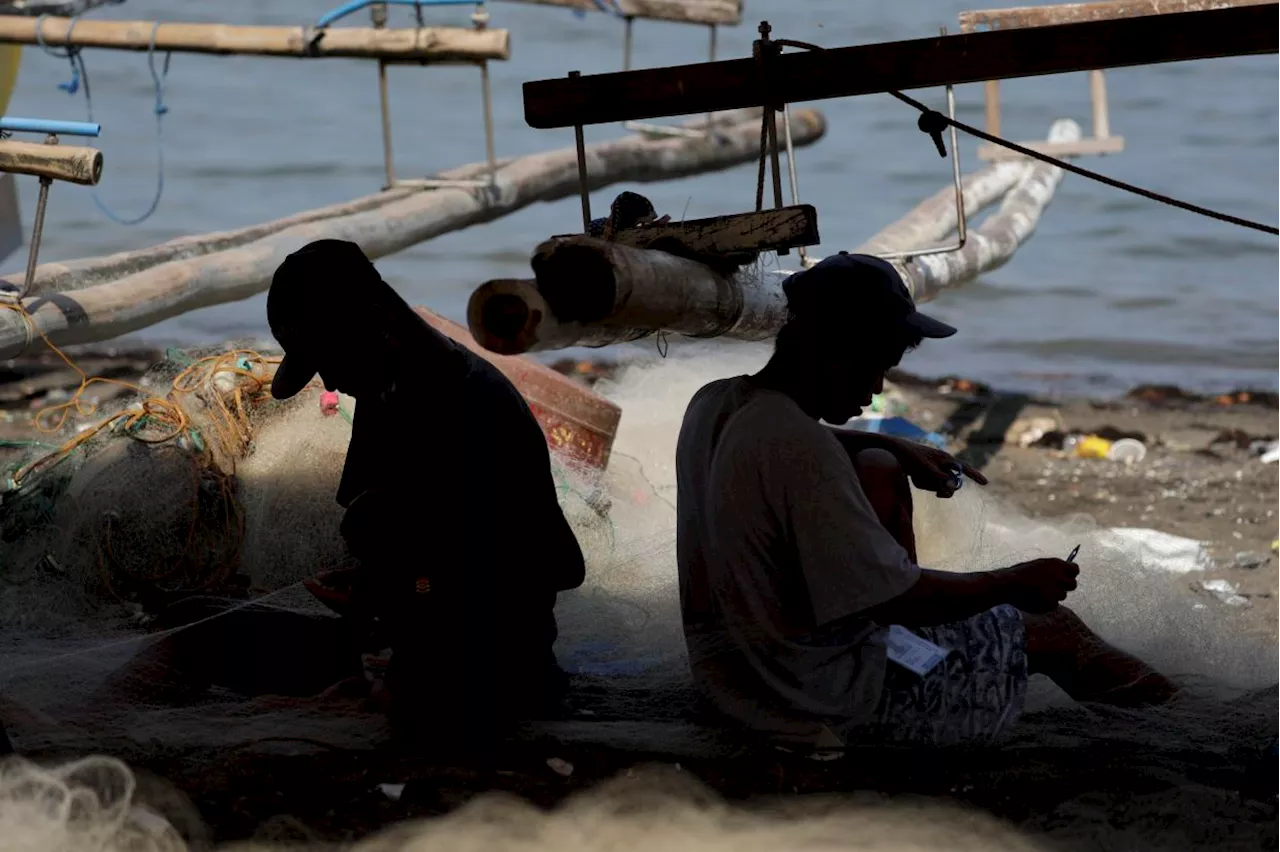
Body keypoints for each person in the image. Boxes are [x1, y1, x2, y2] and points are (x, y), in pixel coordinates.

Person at [675, 252, 1177, 748]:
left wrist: (889, 443)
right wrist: (1014, 582)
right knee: (1058, 632)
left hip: (735, 677)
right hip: (823, 699)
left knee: (878, 467)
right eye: (873, 369)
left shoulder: (716, 402)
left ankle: (913, 648)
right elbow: (898, 597)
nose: (874, 392)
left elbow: (786, 441)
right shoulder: (798, 446)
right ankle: (1188, 722)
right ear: (833, 352)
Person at [267, 239, 586, 758]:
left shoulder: (469, 406)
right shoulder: (384, 384)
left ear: (371, 321)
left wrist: (401, 598)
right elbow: (395, 534)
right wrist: (376, 583)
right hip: (418, 646)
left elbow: (558, 567)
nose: (328, 381)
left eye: (328, 358)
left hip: (489, 670)